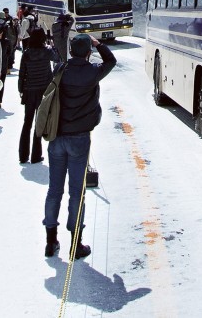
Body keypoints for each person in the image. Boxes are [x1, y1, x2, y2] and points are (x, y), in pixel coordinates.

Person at [43, 35, 116, 260]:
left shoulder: (61, 70)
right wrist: (98, 44)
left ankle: (50, 240)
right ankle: (76, 243)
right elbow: (111, 61)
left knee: (54, 190)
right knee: (77, 191)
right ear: (87, 53)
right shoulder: (92, 73)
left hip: (57, 136)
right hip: (80, 139)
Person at [17, 27, 53, 164]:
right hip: (43, 91)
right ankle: (36, 155)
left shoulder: (26, 53)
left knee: (27, 123)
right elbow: (58, 57)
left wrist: (21, 89)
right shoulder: (47, 51)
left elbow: (22, 73)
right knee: (39, 123)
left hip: (29, 91)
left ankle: (23, 155)